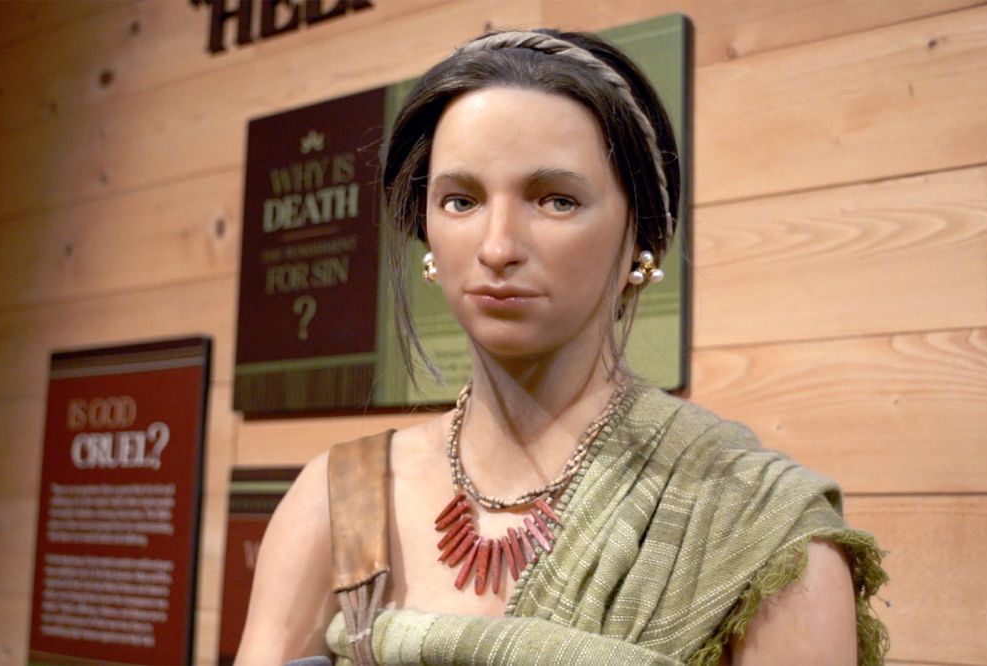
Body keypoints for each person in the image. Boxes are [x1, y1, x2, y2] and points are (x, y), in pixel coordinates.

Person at [236, 28, 888, 666]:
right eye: (461, 200)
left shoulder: (751, 525)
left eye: (556, 200)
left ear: (641, 235)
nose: (497, 247)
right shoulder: (342, 497)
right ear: (427, 233)